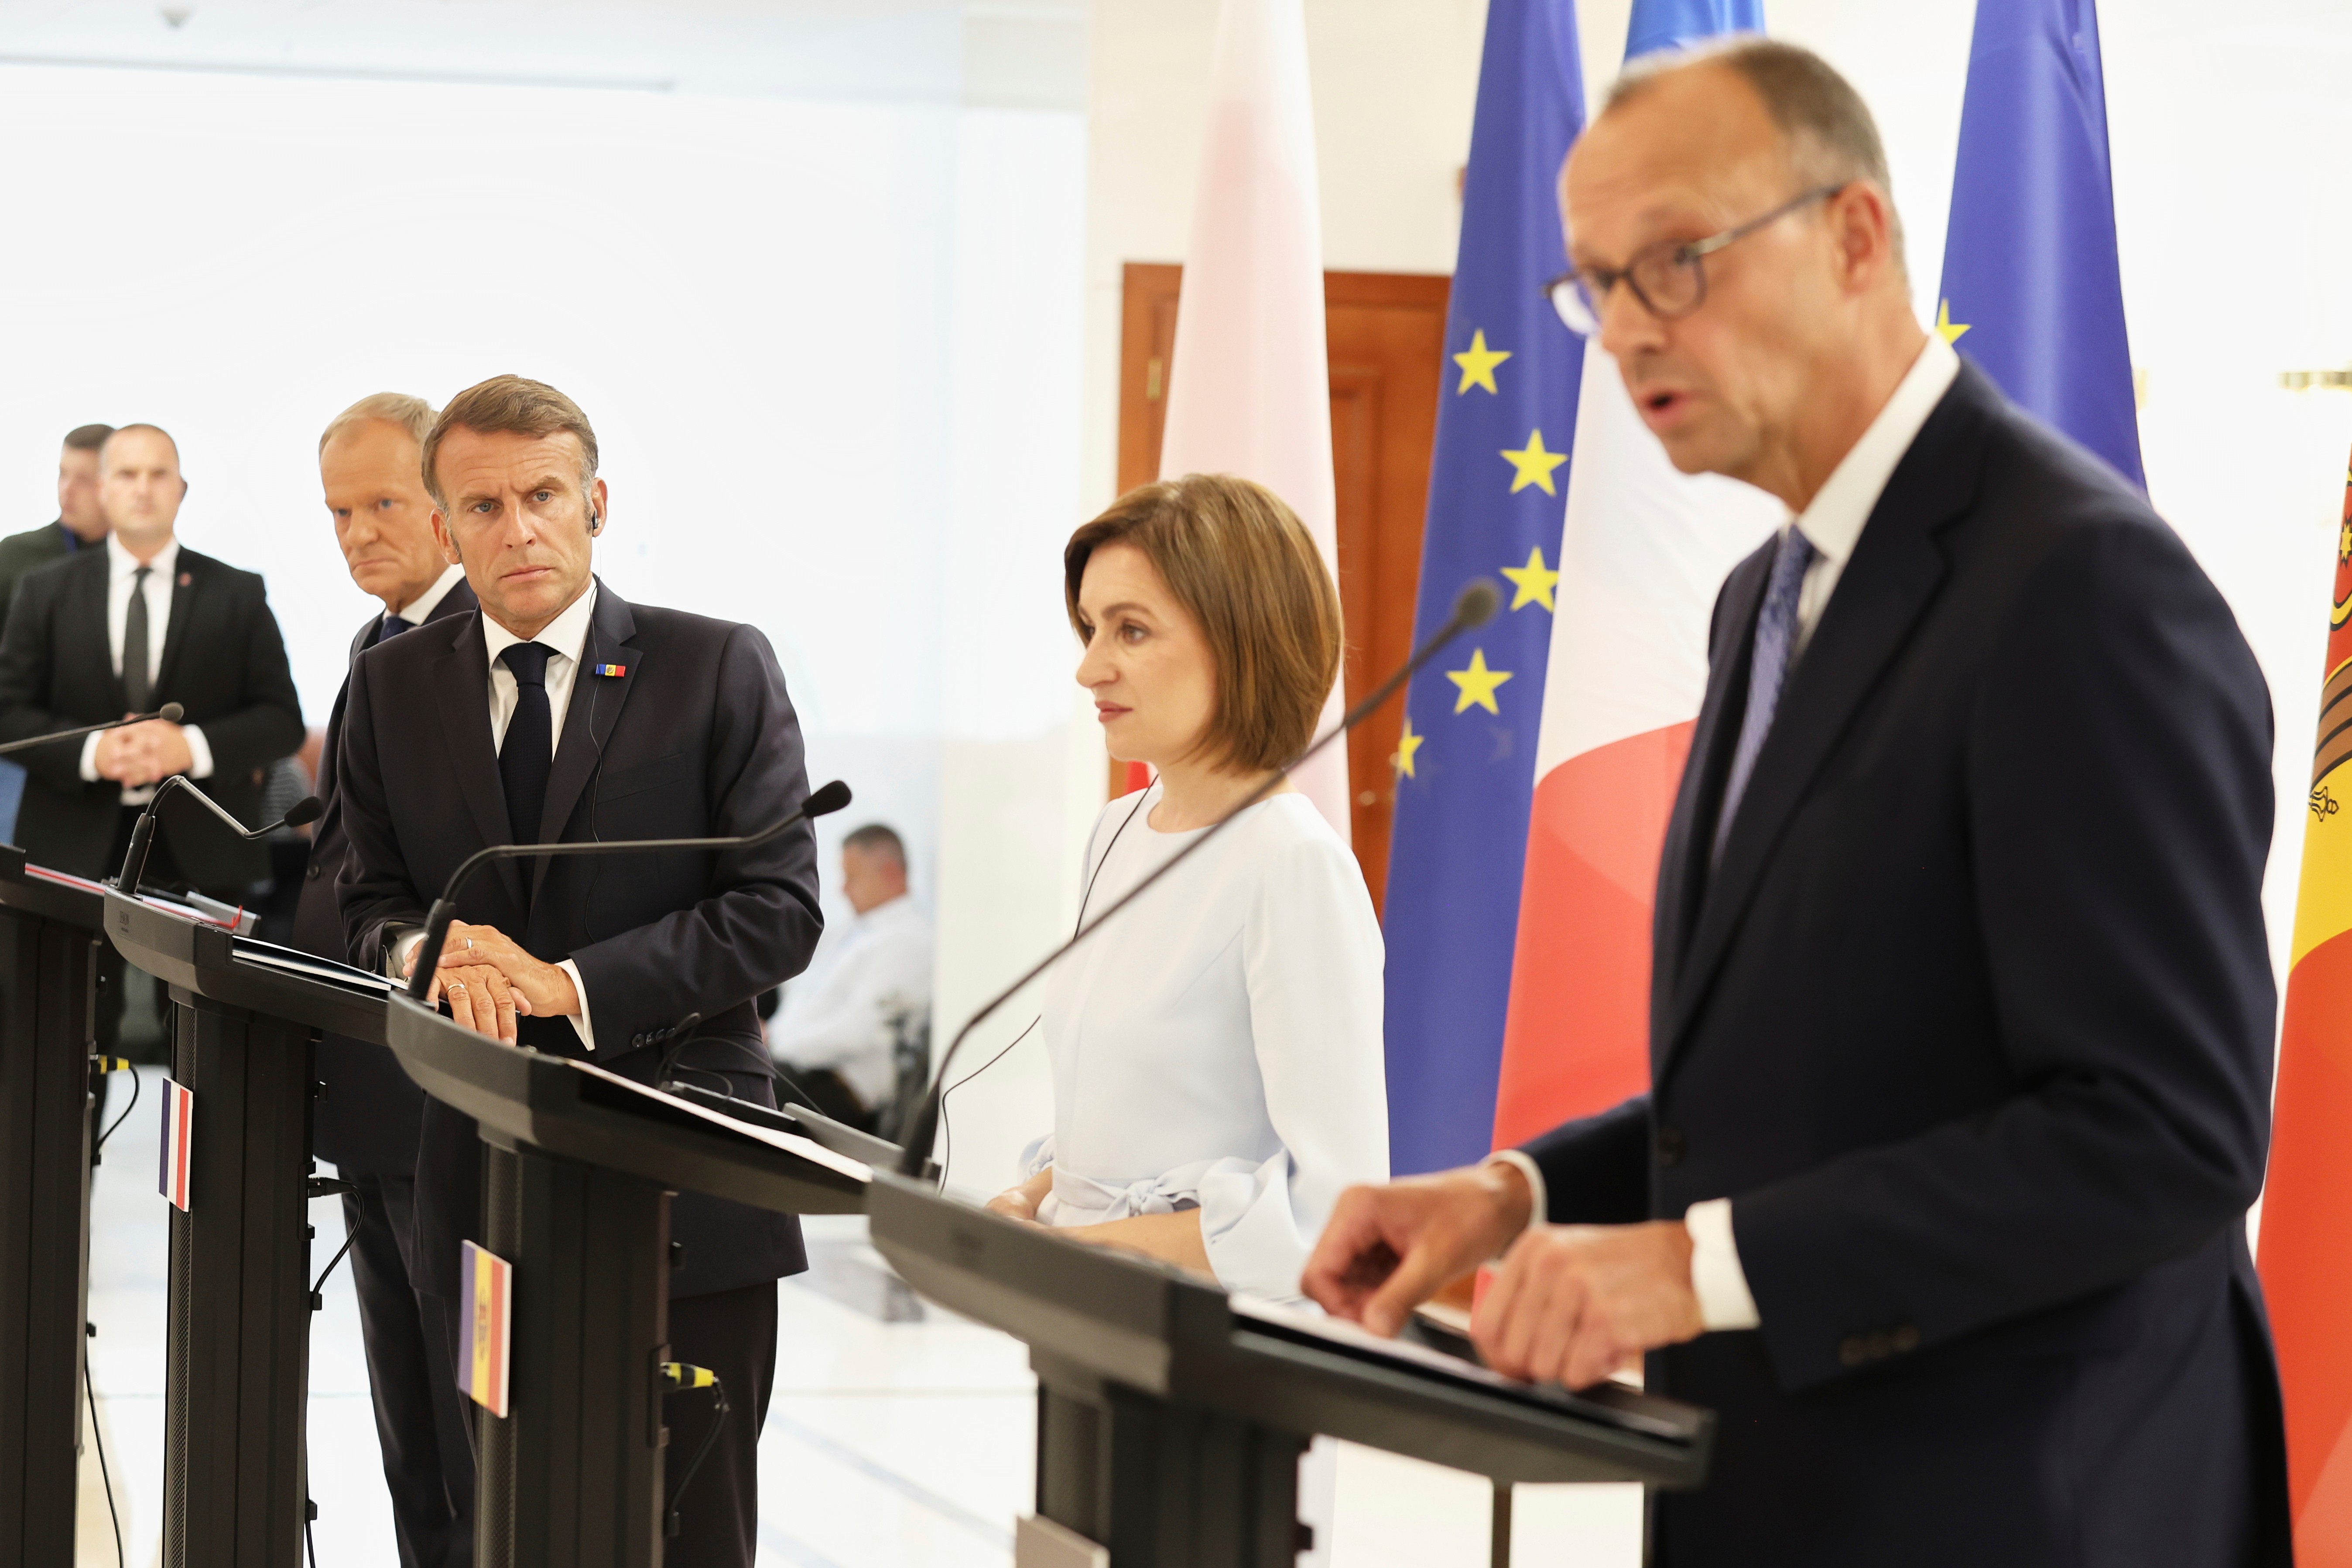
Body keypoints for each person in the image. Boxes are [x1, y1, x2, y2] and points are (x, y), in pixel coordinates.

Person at [1304, 39, 2288, 1566]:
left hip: (2025, 1508)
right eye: (1597, 286)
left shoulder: (2080, 586)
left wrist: (1694, 1268)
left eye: (1673, 263)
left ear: (1854, 235)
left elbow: (2164, 1131)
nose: (1627, 330)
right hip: (1793, 1493)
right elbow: (1813, 1089)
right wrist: (1516, 1193)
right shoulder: (1763, 599)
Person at [334, 375, 823, 1568]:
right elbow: (366, 897)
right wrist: (416, 949)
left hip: (685, 1166)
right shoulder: (393, 686)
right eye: (484, 507)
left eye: (543, 496)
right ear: (448, 527)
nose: (518, 530)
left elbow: (778, 912)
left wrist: (569, 983)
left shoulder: (714, 666)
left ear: (595, 504)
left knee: (688, 1533)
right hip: (479, 1180)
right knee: (505, 1519)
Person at [983, 473, 1387, 1303]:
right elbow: (1133, 1123)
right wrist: (1031, 1199)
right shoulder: (1119, 828)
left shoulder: (1291, 863)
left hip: (1210, 1333)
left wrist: (1074, 1246)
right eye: (1091, 627)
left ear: (1243, 640)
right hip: (1092, 1307)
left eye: (1130, 630)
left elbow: (1327, 1210)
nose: (1089, 668)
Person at [298, 393, 478, 1568]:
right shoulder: (377, 642)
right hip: (363, 1078)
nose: (359, 533)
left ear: (444, 507)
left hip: (434, 1090)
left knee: (458, 1422)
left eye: (382, 504)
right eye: (338, 513)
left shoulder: (472, 648)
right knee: (403, 1414)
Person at [0, 423, 304, 1053]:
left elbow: (282, 718)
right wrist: (93, 751)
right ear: (103, 490)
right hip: (68, 845)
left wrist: (188, 747)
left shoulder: (238, 591)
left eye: (158, 473)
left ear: (181, 489)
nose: (143, 488)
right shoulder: (45, 589)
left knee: (210, 1050)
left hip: (205, 848)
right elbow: (8, 710)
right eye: (127, 474)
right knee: (62, 1042)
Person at [768, 822, 931, 1132]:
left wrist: (776, 1041)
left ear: (890, 873)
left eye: (851, 877)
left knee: (730, 1084)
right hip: (800, 1065)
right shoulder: (855, 932)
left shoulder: (908, 941)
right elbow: (805, 998)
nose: (843, 889)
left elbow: (858, 1031)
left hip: (837, 1087)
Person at [0, 423, 113, 644]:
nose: (66, 490)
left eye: (83, 480)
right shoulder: (15, 553)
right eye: (63, 474)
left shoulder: (135, 562)